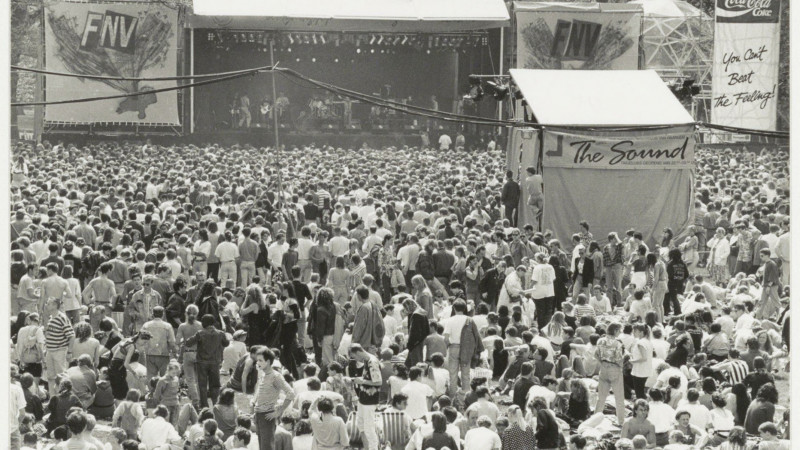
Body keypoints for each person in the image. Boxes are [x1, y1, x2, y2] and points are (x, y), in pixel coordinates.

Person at [250, 347, 295, 450]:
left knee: (267, 447)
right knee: (262, 446)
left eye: (261, 360)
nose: (258, 363)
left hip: (267, 415)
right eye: (257, 360)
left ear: (268, 361)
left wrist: (279, 411)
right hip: (259, 415)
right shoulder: (263, 374)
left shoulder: (276, 376)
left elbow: (291, 393)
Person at [186, 314, 230, 408]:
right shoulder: (220, 333)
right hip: (215, 362)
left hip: (202, 362)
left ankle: (204, 405)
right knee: (215, 385)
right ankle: (216, 404)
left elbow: (188, 343)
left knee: (202, 385)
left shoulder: (200, 333)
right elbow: (226, 343)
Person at [348, 343, 382, 450]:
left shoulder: (372, 362)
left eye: (355, 357)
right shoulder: (367, 361)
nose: (356, 359)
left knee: (369, 429)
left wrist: (362, 381)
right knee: (361, 425)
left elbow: (378, 382)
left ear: (358, 352)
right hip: (363, 399)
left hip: (370, 400)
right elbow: (369, 379)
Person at [593, 322, 626, 425]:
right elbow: (619, 359)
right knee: (619, 398)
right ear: (615, 330)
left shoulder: (600, 340)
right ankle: (621, 421)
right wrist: (621, 367)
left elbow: (596, 354)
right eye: (619, 330)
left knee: (601, 398)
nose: (620, 332)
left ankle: (594, 420)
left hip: (603, 368)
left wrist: (602, 363)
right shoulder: (617, 343)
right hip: (614, 368)